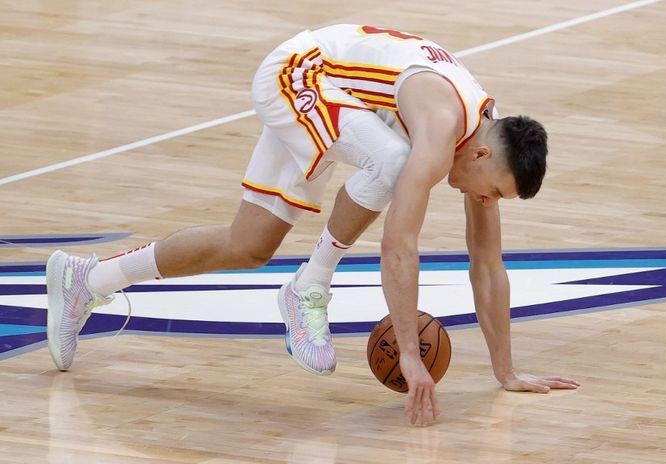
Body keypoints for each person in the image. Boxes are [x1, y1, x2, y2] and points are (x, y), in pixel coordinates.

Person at [46, 24, 579, 426]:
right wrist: (411, 358)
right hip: (300, 75)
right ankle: (309, 285)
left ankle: (85, 281)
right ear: (483, 153)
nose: (488, 200)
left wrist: (505, 372)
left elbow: (487, 264)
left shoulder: (483, 139)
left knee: (248, 244)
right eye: (494, 190)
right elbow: (399, 245)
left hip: (340, 96)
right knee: (392, 164)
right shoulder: (443, 131)